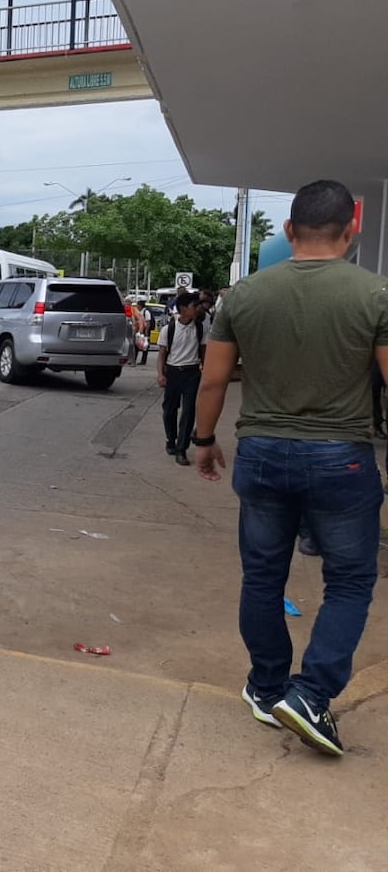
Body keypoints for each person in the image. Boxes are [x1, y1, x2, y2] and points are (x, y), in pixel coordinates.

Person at [195, 179, 388, 757]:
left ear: (288, 231)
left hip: (260, 453)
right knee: (351, 580)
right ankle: (310, 693)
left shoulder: (244, 296)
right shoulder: (376, 293)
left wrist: (203, 439)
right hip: (341, 457)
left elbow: (212, 379)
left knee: (262, 576)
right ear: (351, 234)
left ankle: (268, 686)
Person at [157, 292, 205, 466]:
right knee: (169, 410)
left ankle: (181, 449)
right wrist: (161, 374)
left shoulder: (200, 328)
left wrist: (204, 369)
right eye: (194, 306)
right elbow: (162, 354)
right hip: (173, 372)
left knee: (188, 411)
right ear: (184, 309)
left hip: (192, 373)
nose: (197, 309)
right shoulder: (168, 329)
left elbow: (203, 350)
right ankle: (171, 439)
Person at [135, 299, 154, 365]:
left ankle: (143, 361)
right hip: (139, 330)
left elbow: (148, 322)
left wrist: (146, 331)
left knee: (145, 346)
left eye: (137, 305)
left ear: (140, 306)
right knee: (137, 345)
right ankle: (134, 359)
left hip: (145, 331)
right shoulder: (138, 312)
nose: (137, 306)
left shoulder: (146, 312)